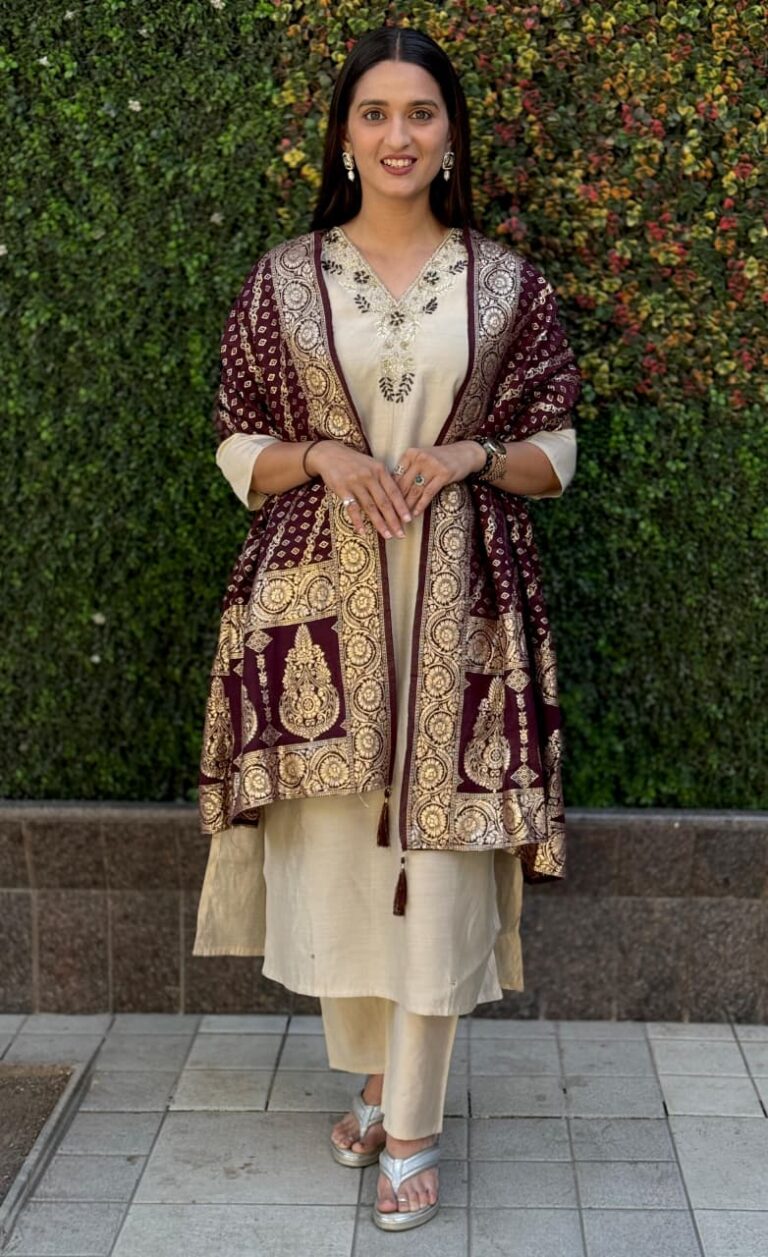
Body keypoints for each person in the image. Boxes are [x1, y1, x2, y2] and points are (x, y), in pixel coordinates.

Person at [193, 25, 582, 1232]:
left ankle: (412, 1121)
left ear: (450, 133)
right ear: (344, 136)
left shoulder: (508, 286)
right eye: (375, 113)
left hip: (464, 609)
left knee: (442, 871)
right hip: (318, 617)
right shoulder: (283, 281)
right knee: (347, 869)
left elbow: (558, 445)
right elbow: (235, 435)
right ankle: (373, 1079)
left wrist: (472, 455)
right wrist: (320, 454)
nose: (398, 135)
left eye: (420, 112)